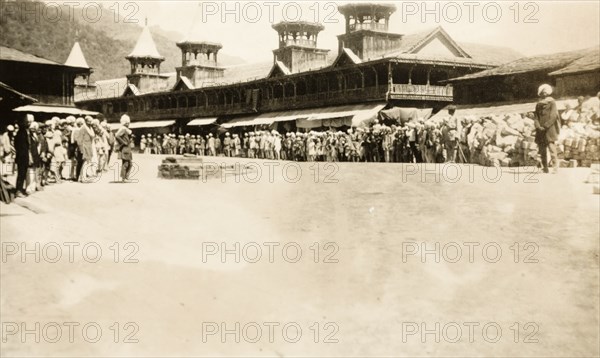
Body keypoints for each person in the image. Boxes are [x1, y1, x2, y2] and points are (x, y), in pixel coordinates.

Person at [534, 84, 560, 174]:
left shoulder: (552, 102)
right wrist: (538, 126)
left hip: (549, 129)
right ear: (540, 94)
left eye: (545, 92)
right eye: (542, 93)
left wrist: (545, 126)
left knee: (552, 148)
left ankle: (555, 167)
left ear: (548, 93)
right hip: (540, 130)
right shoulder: (538, 105)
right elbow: (536, 117)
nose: (544, 94)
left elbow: (553, 116)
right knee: (542, 150)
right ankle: (545, 168)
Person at [14, 116, 30, 197]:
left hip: (22, 157)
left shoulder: (21, 133)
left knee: (22, 174)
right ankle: (18, 190)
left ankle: (19, 189)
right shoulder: (21, 133)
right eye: (26, 122)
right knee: (21, 174)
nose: (27, 124)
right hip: (22, 157)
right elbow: (22, 147)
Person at [115, 114, 133, 182]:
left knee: (129, 164)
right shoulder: (123, 129)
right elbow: (117, 136)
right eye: (127, 122)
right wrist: (123, 142)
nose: (128, 124)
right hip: (125, 148)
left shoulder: (126, 129)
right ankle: (124, 177)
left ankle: (126, 177)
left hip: (127, 148)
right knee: (126, 164)